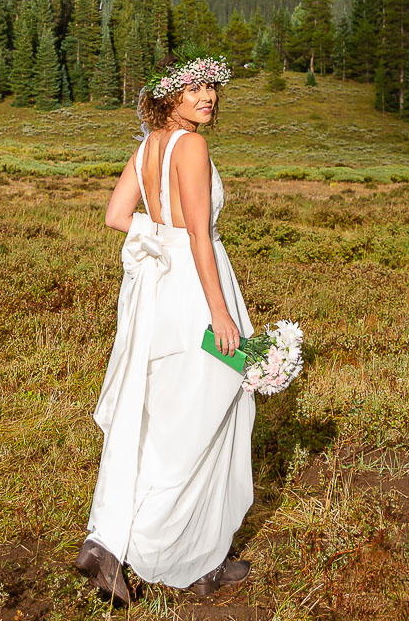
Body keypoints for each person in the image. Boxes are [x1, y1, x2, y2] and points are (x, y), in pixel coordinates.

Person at [75, 54, 254, 603]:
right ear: (170, 95)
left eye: (212, 88)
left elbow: (115, 215)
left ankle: (120, 547)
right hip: (196, 292)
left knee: (167, 419)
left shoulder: (149, 144)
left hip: (159, 291)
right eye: (195, 89)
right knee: (204, 422)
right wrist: (220, 313)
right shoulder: (192, 146)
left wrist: (160, 235)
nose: (208, 97)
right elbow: (200, 235)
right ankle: (180, 555)